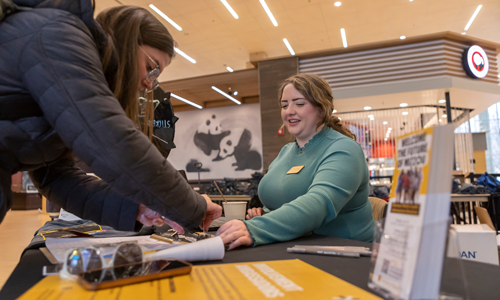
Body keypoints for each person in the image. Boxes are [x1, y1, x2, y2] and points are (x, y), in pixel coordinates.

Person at [0, 0, 221, 232]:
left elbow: (54, 177)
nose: (150, 84)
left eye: (156, 76)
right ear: (127, 42)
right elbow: (111, 142)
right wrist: (193, 205)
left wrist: (133, 208)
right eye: (151, 68)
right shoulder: (59, 37)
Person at [216, 73, 375, 249]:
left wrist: (257, 227)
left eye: (299, 103)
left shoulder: (344, 149)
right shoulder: (286, 151)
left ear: (321, 109)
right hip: (295, 245)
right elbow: (284, 198)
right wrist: (266, 213)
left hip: (345, 253)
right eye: (284, 105)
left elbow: (320, 203)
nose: (289, 110)